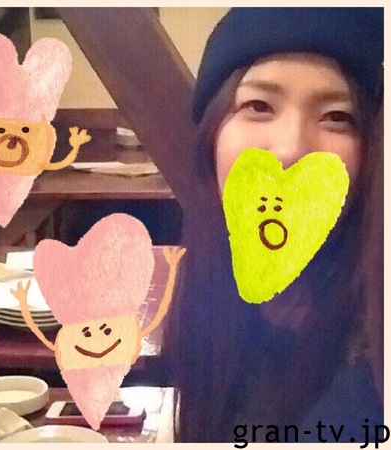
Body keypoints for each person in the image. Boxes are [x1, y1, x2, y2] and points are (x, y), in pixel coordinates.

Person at [163, 8, 383, 443]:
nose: (290, 150)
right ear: (212, 136)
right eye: (259, 106)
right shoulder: (208, 292)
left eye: (337, 116)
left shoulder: (373, 349)